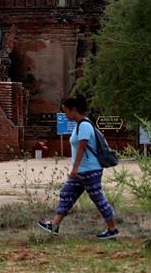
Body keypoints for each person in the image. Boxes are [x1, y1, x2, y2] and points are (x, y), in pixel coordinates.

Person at [38, 95, 119, 239]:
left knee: (98, 199)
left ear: (73, 109)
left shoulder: (85, 125)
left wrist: (74, 169)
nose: (65, 114)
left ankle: (112, 229)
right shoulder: (79, 125)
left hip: (89, 170)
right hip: (81, 171)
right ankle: (54, 225)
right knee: (66, 194)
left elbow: (82, 148)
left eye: (66, 111)